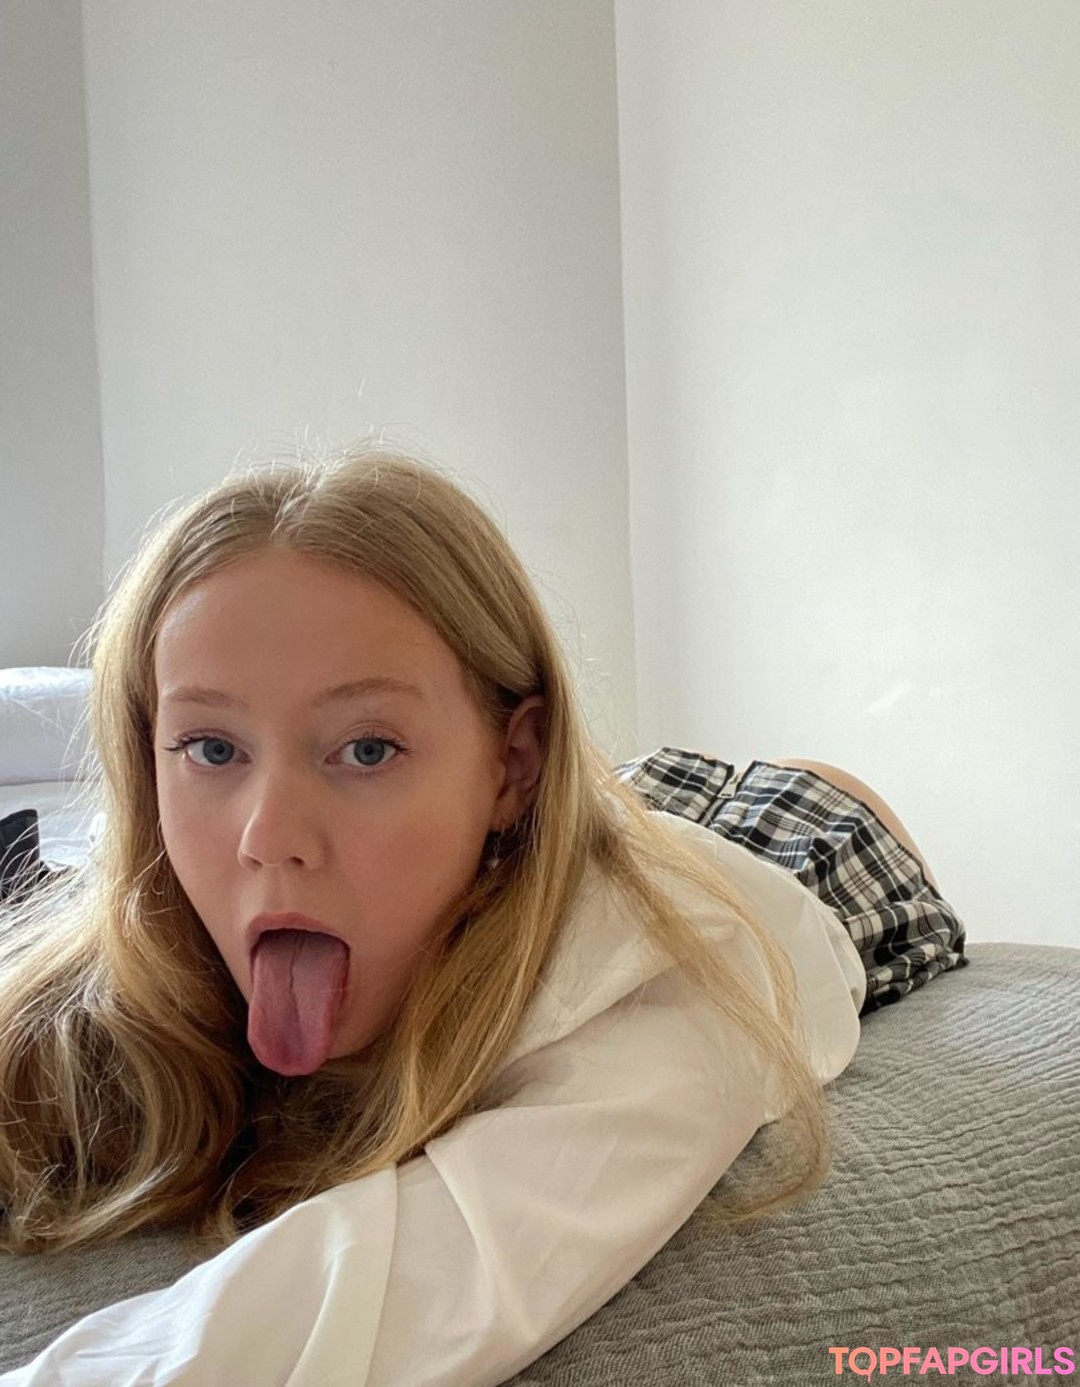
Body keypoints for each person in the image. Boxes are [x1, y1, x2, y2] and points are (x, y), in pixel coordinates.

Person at [0, 446, 967, 1385]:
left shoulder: (679, 975)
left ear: (514, 762)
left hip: (794, 845)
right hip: (552, 828)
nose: (269, 836)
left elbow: (416, 1284)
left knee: (761, 808)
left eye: (366, 748)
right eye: (212, 748)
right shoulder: (142, 936)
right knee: (616, 810)